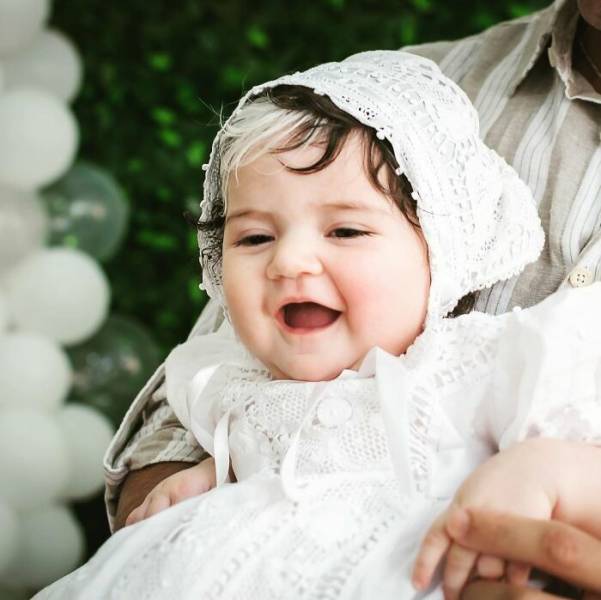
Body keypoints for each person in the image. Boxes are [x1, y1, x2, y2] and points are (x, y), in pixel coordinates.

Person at [35, 50, 601, 599]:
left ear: (442, 253)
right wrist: (207, 476)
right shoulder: (230, 380)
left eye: (346, 232)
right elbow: (245, 452)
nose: (287, 263)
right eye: (255, 238)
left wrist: (542, 473)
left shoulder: (471, 365)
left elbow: (575, 442)